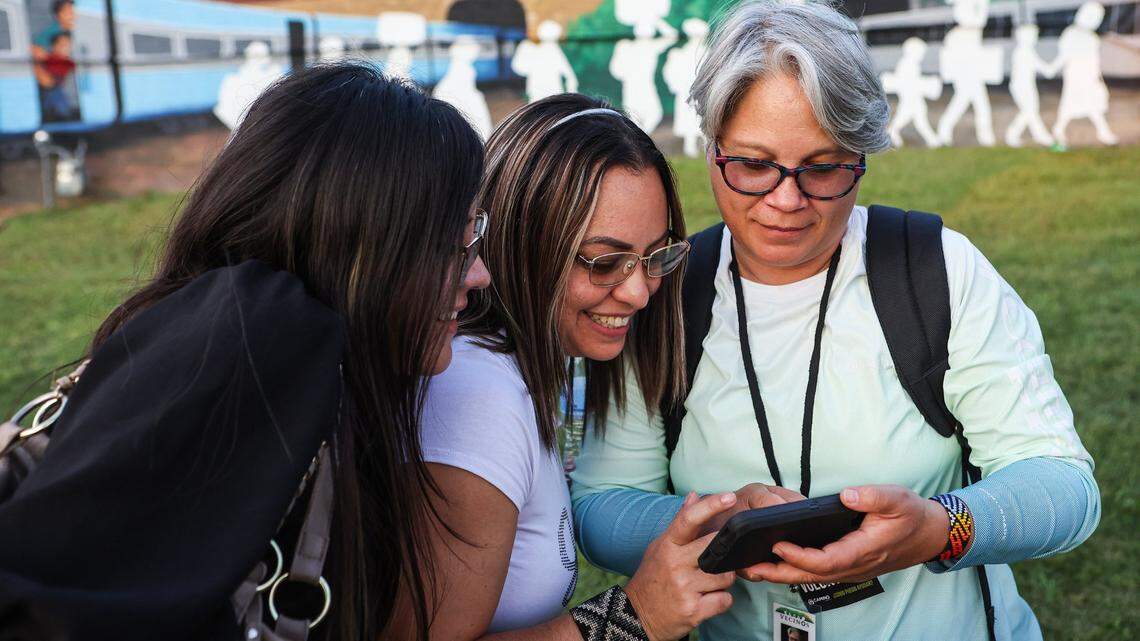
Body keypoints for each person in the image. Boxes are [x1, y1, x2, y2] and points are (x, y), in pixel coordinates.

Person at [571, 3, 1100, 641]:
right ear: (710, 150)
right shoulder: (664, 292)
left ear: (862, 156)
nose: (787, 200)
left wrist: (939, 528)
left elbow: (1063, 485)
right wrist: (727, 521)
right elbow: (601, 507)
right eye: (755, 166)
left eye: (824, 168)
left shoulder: (933, 269)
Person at [0, 62, 489, 641]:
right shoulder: (261, 333)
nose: (478, 273)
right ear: (364, 243)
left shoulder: (290, 351)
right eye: (455, 244)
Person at [388, 94, 739, 641]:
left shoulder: (515, 373)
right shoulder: (481, 395)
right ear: (523, 243)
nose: (639, 292)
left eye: (655, 256)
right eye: (603, 262)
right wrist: (634, 617)